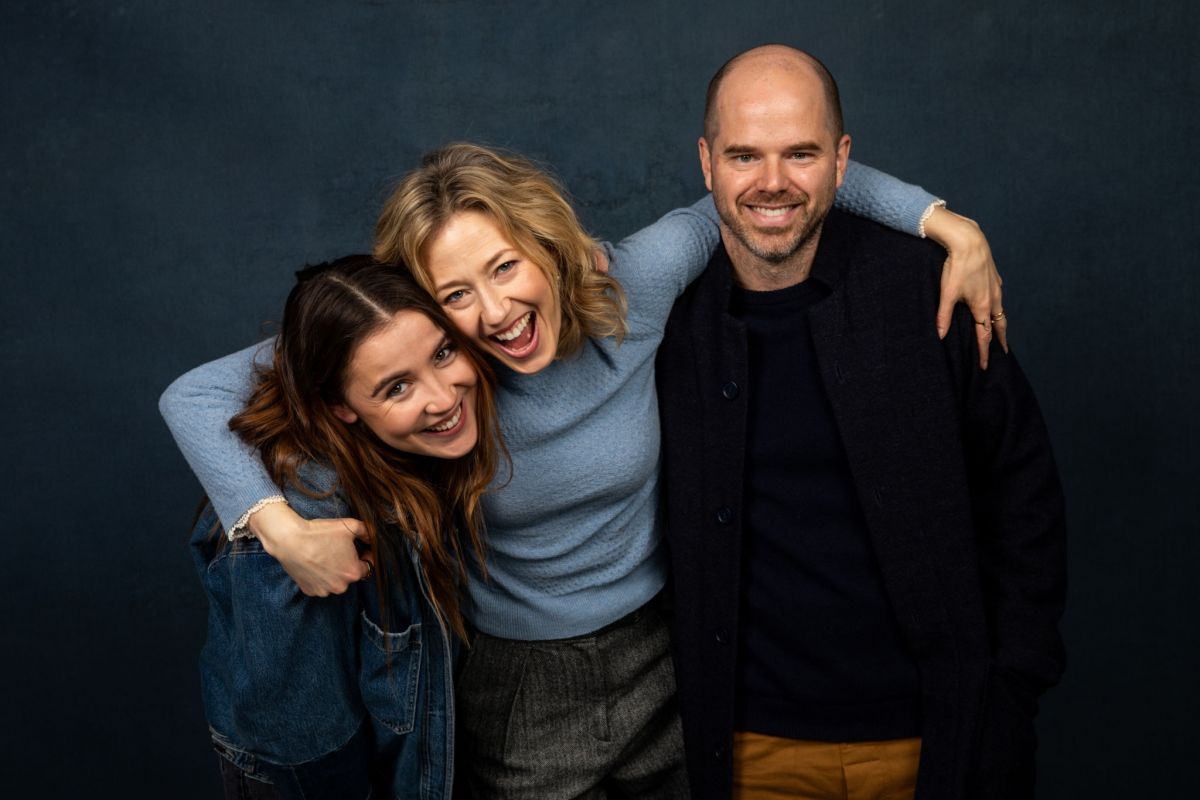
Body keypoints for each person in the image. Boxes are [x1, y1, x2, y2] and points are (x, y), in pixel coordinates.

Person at [161, 143, 1004, 797]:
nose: (494, 314)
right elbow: (195, 394)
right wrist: (278, 529)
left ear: (547, 243)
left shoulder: (635, 280)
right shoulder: (438, 367)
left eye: (506, 266)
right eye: (455, 296)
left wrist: (948, 225)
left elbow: (769, 191)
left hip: (669, 654)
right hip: (516, 683)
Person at [656, 45, 1066, 800]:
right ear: (706, 162)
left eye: (801, 154)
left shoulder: (928, 290)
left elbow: (1025, 499)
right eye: (745, 155)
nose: (772, 183)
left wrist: (1011, 689)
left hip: (939, 732)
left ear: (843, 162)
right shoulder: (664, 323)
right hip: (750, 747)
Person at [176, 256, 503, 798]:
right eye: (397, 388)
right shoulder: (314, 513)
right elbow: (305, 755)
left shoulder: (404, 453)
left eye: (443, 353)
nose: (444, 398)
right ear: (339, 406)